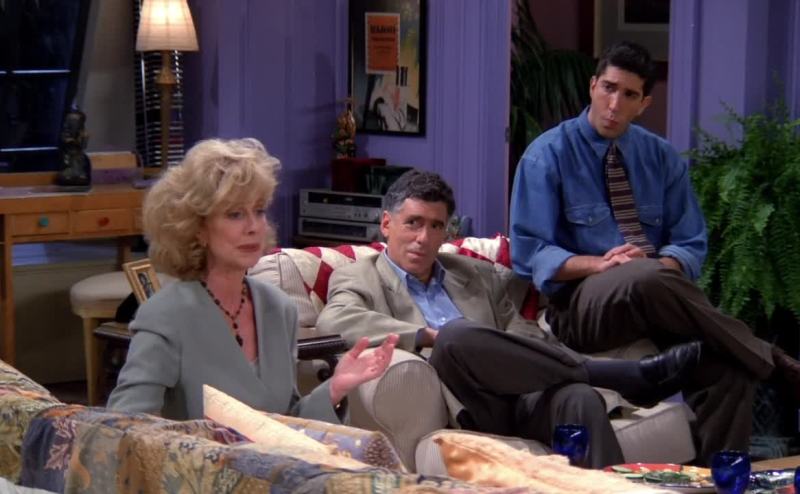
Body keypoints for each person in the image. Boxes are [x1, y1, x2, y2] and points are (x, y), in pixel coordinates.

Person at [509, 41, 800, 464]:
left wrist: (660, 264)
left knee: (728, 368)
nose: (614, 104)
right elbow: (529, 253)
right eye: (608, 88)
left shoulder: (660, 157)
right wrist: (602, 264)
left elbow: (690, 242)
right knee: (642, 275)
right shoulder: (546, 155)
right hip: (581, 307)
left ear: (644, 103)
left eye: (629, 94)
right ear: (592, 86)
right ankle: (774, 360)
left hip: (656, 296)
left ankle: (715, 481)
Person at [317, 169, 702, 468]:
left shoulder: (475, 273)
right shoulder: (358, 275)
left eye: (436, 226)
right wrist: (426, 335)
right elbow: (335, 320)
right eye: (413, 223)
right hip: (463, 401)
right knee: (454, 336)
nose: (424, 238)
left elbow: (522, 331)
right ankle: (615, 375)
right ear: (387, 224)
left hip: (520, 393)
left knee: (579, 398)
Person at [108, 138, 397, 421]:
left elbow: (285, 421)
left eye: (258, 211)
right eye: (235, 214)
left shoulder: (279, 308)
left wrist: (334, 388)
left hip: (274, 454)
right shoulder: (166, 315)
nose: (254, 227)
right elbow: (125, 425)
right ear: (197, 228)